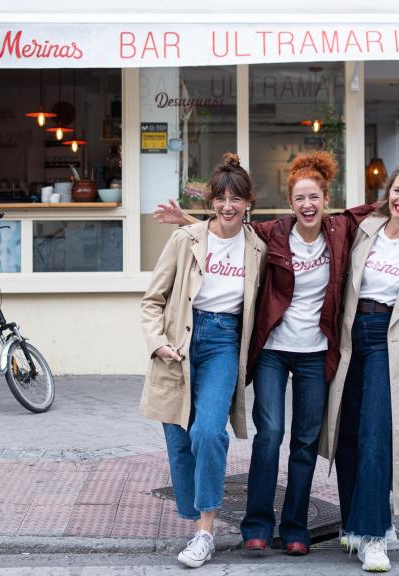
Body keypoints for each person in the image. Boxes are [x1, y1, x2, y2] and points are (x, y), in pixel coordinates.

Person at [156, 153, 399, 556]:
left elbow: (386, 205)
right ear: (290, 202)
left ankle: (296, 527)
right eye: (299, 198)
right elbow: (228, 230)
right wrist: (187, 221)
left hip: (317, 354)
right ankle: (257, 524)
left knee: (306, 441)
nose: (307, 205)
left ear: (326, 200)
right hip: (275, 352)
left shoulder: (343, 229)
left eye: (314, 197)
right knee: (271, 434)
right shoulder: (275, 232)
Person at [321, 160, 399, 572]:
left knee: (377, 436)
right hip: (349, 339)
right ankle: (355, 523)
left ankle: (373, 536)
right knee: (347, 434)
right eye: (398, 190)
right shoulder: (366, 230)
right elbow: (348, 216)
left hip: (388, 345)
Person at [140, 153, 267, 569]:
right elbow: (152, 299)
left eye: (236, 199)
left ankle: (205, 531)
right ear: (211, 201)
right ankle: (194, 519)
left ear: (249, 202)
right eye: (220, 198)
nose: (228, 206)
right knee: (179, 438)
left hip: (223, 341)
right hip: (180, 338)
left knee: (209, 432)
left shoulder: (258, 247)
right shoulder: (187, 239)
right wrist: (157, 342)